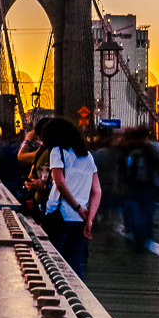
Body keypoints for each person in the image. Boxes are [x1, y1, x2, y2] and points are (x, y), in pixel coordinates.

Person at [41, 118, 102, 278]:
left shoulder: (57, 151)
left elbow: (59, 183)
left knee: (53, 264)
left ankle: (57, 299)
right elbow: (97, 191)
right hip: (80, 220)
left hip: (59, 215)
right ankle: (77, 299)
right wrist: (89, 218)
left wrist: (76, 207)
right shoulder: (88, 156)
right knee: (74, 266)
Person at [122, 126, 159, 250]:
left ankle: (137, 235)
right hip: (148, 185)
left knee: (135, 212)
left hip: (132, 185)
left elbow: (122, 167)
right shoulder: (150, 148)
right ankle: (146, 235)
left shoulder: (127, 148)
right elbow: (158, 165)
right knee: (147, 211)